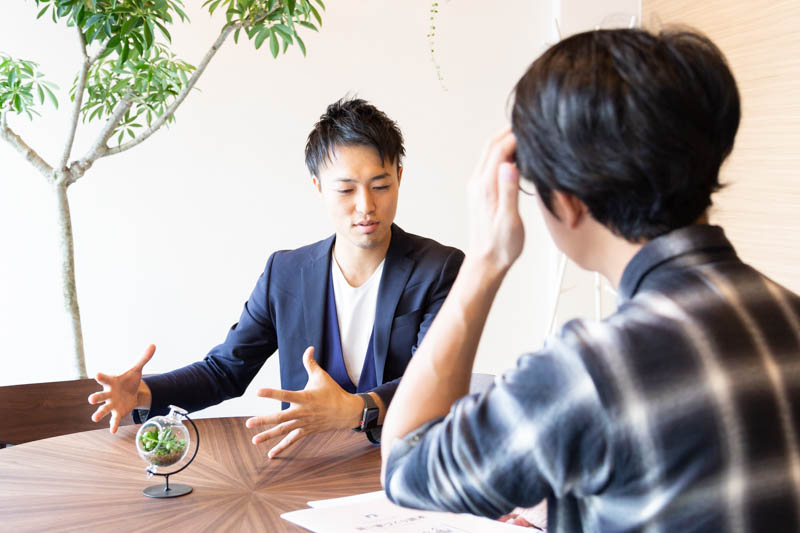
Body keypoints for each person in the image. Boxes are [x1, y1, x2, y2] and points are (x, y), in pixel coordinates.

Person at [380, 28, 800, 532]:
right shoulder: (790, 315)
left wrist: (486, 259)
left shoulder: (591, 373)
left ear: (569, 200)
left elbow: (405, 465)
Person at [89, 97, 464, 458]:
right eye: (346, 189)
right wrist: (144, 394)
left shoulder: (440, 268)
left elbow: (437, 382)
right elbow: (226, 371)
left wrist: (355, 410)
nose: (366, 205)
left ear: (399, 177)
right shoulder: (284, 273)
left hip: (408, 465)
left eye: (380, 186)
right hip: (306, 466)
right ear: (318, 186)